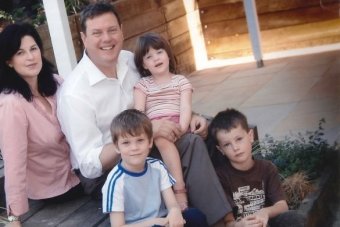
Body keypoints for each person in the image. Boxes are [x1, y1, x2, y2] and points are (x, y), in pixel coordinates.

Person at [57, 2, 232, 225]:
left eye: (112, 30)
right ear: (83, 38)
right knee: (190, 145)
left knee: (202, 132)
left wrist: (191, 115)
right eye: (97, 33)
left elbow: (161, 94)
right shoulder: (74, 93)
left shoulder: (130, 60)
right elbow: (90, 165)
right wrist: (144, 131)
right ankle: (221, 219)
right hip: (108, 173)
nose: (107, 39)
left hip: (148, 144)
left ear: (122, 30)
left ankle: (227, 210)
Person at [0, 23, 82, 227]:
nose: (30, 57)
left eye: (33, 48)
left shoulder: (55, 82)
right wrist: (14, 217)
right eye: (20, 52)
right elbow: (13, 161)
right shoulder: (11, 103)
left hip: (82, 172)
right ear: (9, 61)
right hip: (56, 189)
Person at [102, 109, 208, 227]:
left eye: (140, 140)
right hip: (139, 225)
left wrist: (174, 212)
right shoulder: (115, 181)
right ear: (117, 147)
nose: (134, 148)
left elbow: (172, 204)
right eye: (126, 143)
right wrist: (155, 222)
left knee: (195, 215)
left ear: (150, 142)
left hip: (164, 220)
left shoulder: (157, 166)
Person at [209, 108, 306, 227]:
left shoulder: (267, 168)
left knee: (296, 218)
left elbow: (282, 205)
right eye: (227, 144)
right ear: (221, 149)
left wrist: (264, 212)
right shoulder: (220, 176)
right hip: (241, 226)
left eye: (239, 139)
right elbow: (228, 222)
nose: (235, 148)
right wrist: (240, 225)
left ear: (250, 136)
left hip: (267, 222)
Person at [133, 32, 192, 210]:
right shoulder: (143, 85)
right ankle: (174, 189)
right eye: (149, 57)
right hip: (153, 128)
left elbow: (185, 107)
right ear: (144, 64)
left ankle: (179, 189)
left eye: (159, 52)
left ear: (167, 54)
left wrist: (182, 127)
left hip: (176, 124)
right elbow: (139, 112)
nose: (156, 58)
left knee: (165, 139)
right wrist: (149, 130)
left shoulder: (180, 81)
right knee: (160, 138)